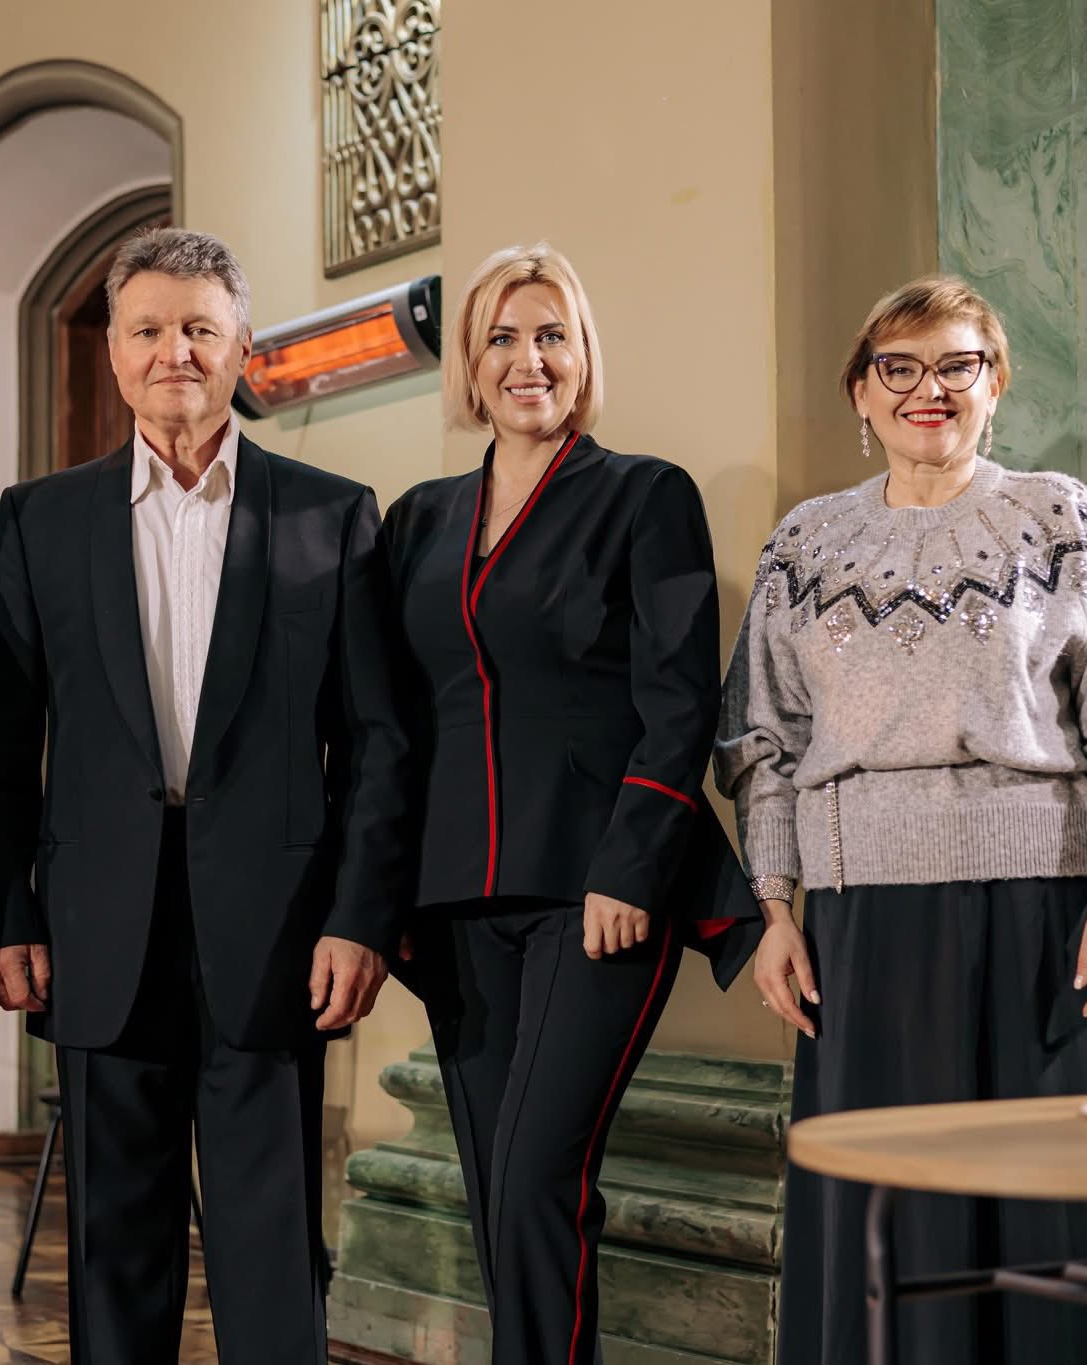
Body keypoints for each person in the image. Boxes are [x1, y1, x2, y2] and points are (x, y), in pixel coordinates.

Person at [0, 227, 412, 1362]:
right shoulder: (39, 520)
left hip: (277, 933)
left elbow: (377, 743)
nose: (176, 352)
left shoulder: (329, 514)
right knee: (114, 1249)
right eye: (150, 330)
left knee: (273, 1248)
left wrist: (360, 916)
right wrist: (2, 916)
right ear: (114, 352)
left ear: (242, 348)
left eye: (201, 329)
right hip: (96, 928)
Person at [717, 275, 1087, 1365]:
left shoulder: (1062, 519)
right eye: (899, 367)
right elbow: (760, 744)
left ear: (995, 384)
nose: (927, 389)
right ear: (861, 393)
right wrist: (772, 910)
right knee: (886, 1218)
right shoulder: (803, 546)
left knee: (1052, 1213)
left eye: (956, 365)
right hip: (859, 929)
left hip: (1048, 919)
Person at [381, 243, 751, 1365]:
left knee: (538, 1174)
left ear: (583, 356)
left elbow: (679, 704)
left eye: (551, 335)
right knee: (496, 1186)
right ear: (469, 361)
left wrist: (630, 868)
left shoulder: (645, 495)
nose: (526, 360)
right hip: (451, 898)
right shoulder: (417, 520)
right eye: (501, 337)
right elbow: (392, 720)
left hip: (597, 893)